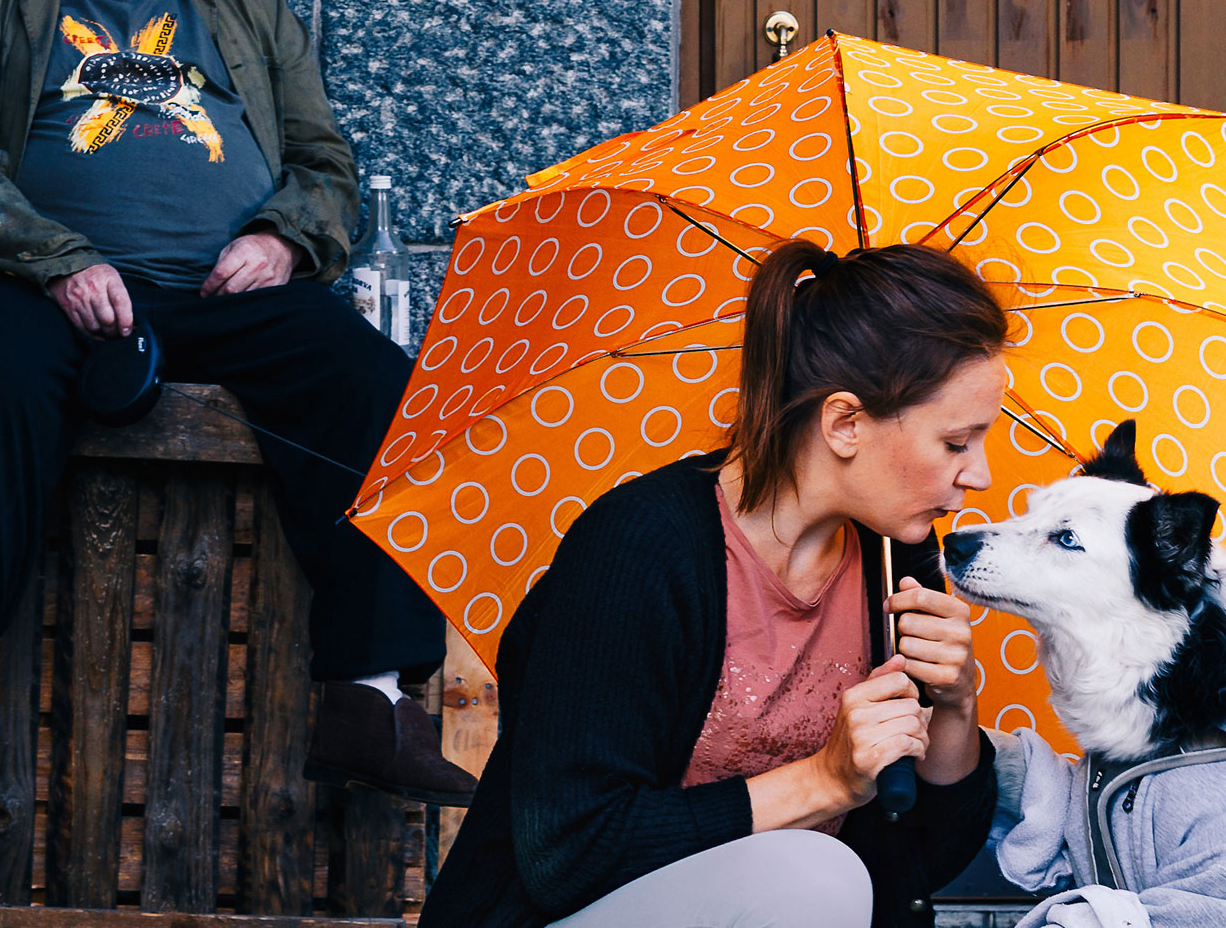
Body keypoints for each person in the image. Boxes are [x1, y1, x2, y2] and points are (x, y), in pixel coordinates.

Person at [0, 0, 476, 811]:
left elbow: (325, 161)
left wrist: (282, 238)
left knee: (372, 382)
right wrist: (55, 259)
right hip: (48, 287)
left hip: (225, 295)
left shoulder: (241, 2)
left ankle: (370, 703)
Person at [419, 240, 1009, 928]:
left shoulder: (891, 557)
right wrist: (822, 779)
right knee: (814, 875)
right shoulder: (640, 549)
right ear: (845, 422)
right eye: (957, 442)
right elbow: (568, 850)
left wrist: (956, 705)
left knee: (826, 879)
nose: (981, 475)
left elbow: (916, 864)